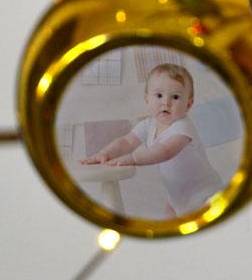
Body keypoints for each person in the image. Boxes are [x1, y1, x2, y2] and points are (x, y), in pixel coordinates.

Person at [80, 63, 222, 217]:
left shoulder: (183, 128)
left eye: (175, 97)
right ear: (147, 100)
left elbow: (164, 151)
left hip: (204, 195)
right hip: (176, 196)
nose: (166, 102)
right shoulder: (148, 124)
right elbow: (126, 142)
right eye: (159, 95)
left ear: (188, 104)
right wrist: (105, 153)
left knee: (200, 235)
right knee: (170, 228)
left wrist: (132, 158)